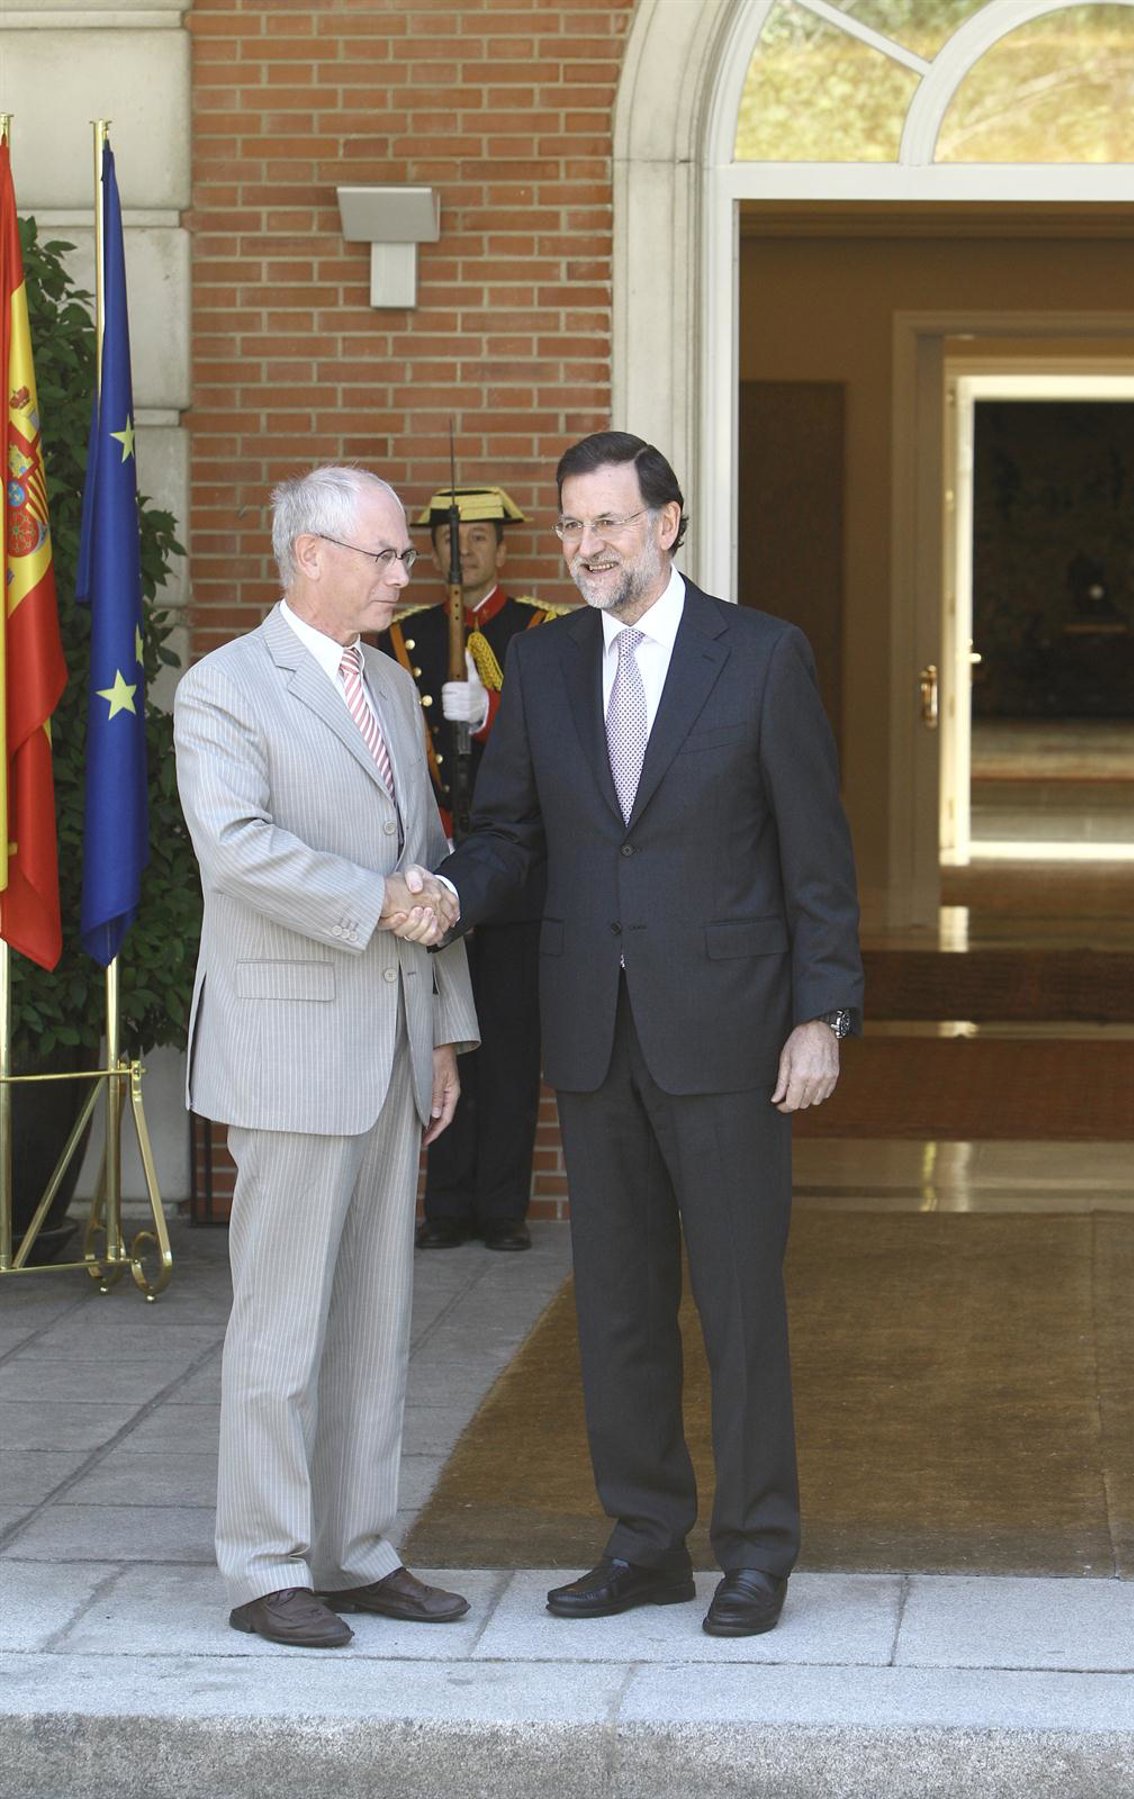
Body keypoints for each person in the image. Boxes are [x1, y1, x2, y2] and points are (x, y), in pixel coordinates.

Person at [421, 431, 863, 1639]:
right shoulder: (545, 662)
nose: (587, 545)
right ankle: (646, 1538)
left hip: (730, 1033)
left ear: (667, 523)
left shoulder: (760, 655)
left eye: (608, 521)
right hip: (593, 1031)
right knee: (616, 1303)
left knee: (738, 1304)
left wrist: (821, 1013)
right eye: (571, 525)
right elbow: (511, 833)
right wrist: (449, 891)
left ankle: (757, 1548)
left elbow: (817, 855)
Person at [174, 465, 476, 1650]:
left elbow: (430, 856)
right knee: (283, 1321)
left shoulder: (392, 684)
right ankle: (264, 1565)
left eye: (402, 553)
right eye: (385, 553)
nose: (406, 573)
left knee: (372, 1319)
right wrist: (378, 900)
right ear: (311, 554)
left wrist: (444, 1027)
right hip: (291, 1046)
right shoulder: (224, 687)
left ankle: (355, 1550)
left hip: (394, 1040)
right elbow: (237, 846)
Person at [379, 485, 566, 1253]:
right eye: (452, 540)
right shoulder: (403, 636)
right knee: (441, 1038)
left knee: (511, 1044)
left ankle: (502, 1206)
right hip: (435, 865)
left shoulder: (539, 630)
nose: (467, 551)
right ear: (431, 552)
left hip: (514, 874)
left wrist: (490, 711)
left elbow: (559, 735)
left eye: (482, 538)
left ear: (504, 548)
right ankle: (448, 1203)